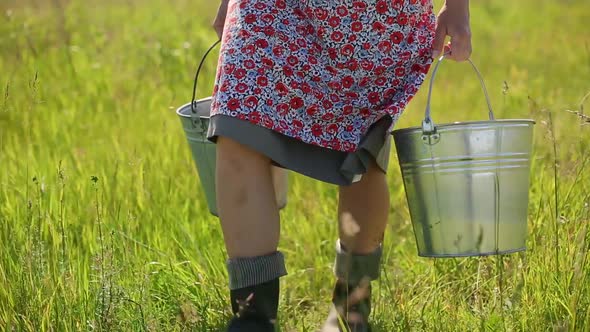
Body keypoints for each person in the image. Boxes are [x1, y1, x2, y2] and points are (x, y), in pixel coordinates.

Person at [209, 0, 471, 330]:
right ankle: (253, 316)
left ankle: (352, 305)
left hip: (373, 15)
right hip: (270, 7)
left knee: (361, 154)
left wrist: (458, 8)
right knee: (239, 130)